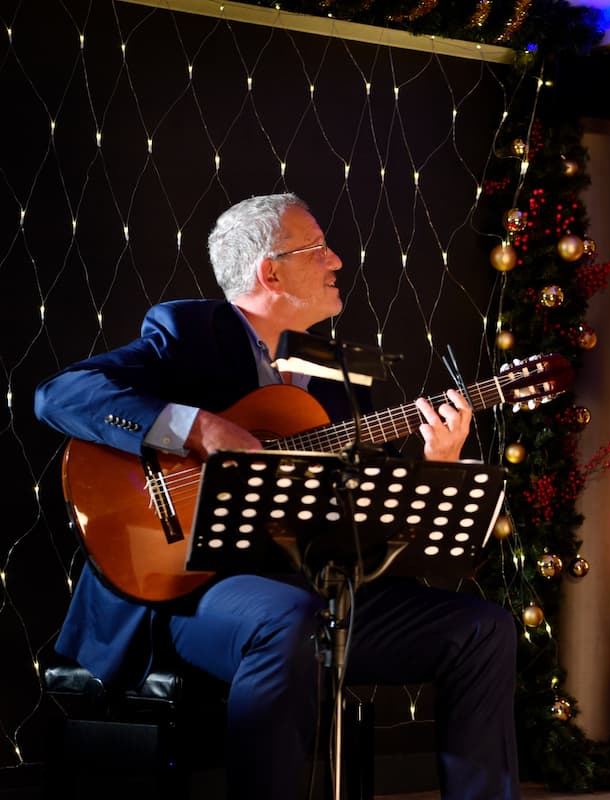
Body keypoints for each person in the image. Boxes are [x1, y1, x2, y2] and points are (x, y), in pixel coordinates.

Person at [34, 193, 519, 800]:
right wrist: (197, 428)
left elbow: (363, 505)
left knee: (482, 629)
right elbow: (59, 395)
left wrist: (434, 460)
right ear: (271, 271)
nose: (338, 259)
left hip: (311, 584)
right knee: (288, 620)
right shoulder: (189, 333)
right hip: (188, 589)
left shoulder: (334, 374)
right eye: (319, 248)